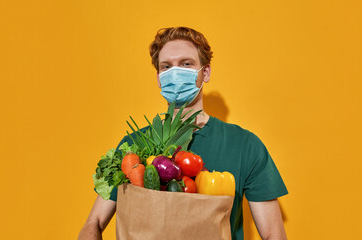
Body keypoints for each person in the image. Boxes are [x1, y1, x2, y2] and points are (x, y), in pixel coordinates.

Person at [78, 27, 288, 240]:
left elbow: (273, 234)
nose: (175, 73)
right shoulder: (133, 146)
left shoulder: (244, 145)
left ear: (205, 72)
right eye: (166, 67)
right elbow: (92, 224)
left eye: (186, 64)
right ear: (159, 78)